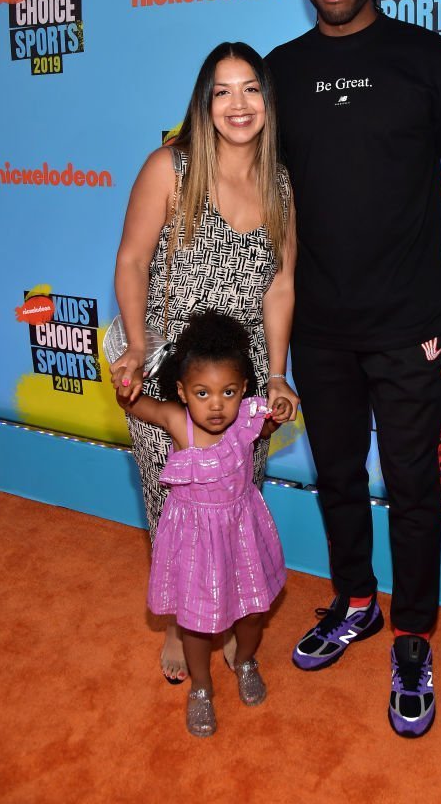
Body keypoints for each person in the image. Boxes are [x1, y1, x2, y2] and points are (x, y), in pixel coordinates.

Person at [266, 0, 441, 738]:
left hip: (413, 330)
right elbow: (266, 210)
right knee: (334, 479)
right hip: (320, 330)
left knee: (412, 491)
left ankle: (412, 636)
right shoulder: (277, 72)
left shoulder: (431, 60)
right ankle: (356, 602)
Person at [111, 42, 298, 683]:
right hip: (169, 370)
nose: (238, 104)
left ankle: (222, 609)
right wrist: (136, 347)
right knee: (178, 513)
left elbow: (280, 286)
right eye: (223, 91)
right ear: (204, 102)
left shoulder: (280, 185)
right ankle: (179, 622)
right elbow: (134, 261)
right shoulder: (171, 167)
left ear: (268, 103)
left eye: (251, 89)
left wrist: (274, 373)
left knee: (233, 501)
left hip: (239, 382)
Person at [116, 309, 288, 737]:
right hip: (193, 536)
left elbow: (266, 428)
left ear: (244, 387)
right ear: (182, 391)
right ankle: (202, 687)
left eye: (228, 391)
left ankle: (246, 659)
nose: (217, 405)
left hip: (241, 530)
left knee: (252, 609)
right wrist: (126, 390)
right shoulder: (177, 421)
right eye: (203, 392)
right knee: (196, 620)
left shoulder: (248, 418)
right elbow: (137, 405)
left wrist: (277, 411)